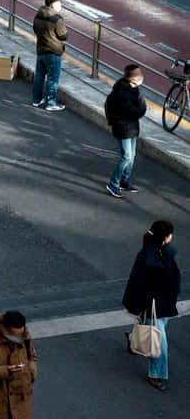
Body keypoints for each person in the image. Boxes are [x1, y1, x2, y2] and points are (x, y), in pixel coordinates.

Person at [123, 220, 180, 391]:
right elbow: (139, 284)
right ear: (164, 237)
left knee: (152, 328)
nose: (171, 237)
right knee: (160, 341)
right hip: (155, 304)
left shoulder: (152, 253)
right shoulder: (152, 257)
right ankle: (156, 374)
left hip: (160, 304)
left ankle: (133, 339)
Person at [105, 64, 147, 198]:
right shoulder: (123, 93)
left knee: (132, 156)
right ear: (132, 79)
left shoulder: (132, 89)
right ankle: (113, 183)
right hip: (123, 128)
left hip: (131, 128)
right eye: (138, 76)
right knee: (126, 156)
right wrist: (143, 105)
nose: (141, 78)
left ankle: (124, 181)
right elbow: (136, 112)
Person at [31, 0, 67, 112]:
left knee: (39, 76)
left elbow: (35, 29)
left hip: (41, 49)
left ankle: (36, 100)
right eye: (59, 3)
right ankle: (51, 103)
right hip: (53, 51)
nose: (60, 5)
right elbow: (63, 36)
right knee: (53, 78)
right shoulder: (57, 19)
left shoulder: (38, 15)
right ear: (53, 4)